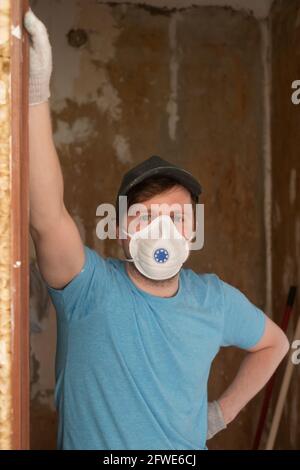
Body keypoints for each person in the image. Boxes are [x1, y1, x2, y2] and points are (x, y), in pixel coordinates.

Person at [24, 8, 290, 450]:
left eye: (175, 217)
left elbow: (276, 344)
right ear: (122, 231)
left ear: (192, 231)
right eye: (143, 216)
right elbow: (45, 214)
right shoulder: (86, 286)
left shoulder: (215, 301)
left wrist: (220, 415)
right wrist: (34, 97)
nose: (160, 230)